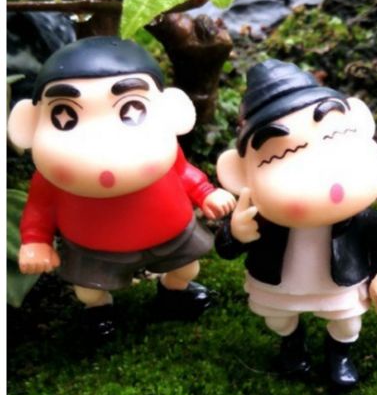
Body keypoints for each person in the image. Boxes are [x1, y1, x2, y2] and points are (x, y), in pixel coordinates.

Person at [8, 36, 236, 341]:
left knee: (186, 269)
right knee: (88, 289)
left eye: (132, 109)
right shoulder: (50, 179)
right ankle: (98, 310)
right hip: (93, 246)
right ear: (27, 124)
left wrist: (206, 193)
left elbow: (184, 173)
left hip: (171, 234)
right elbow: (39, 208)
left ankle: (174, 292)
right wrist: (36, 241)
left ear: (172, 111)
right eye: (65, 116)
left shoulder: (168, 154)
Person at [215, 58, 377, 391]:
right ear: (240, 174)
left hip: (341, 279)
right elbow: (225, 247)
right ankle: (292, 342)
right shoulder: (260, 217)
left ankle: (339, 355)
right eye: (281, 156)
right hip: (280, 281)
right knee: (278, 318)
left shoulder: (359, 219)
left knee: (347, 322)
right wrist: (237, 233)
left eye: (336, 135)